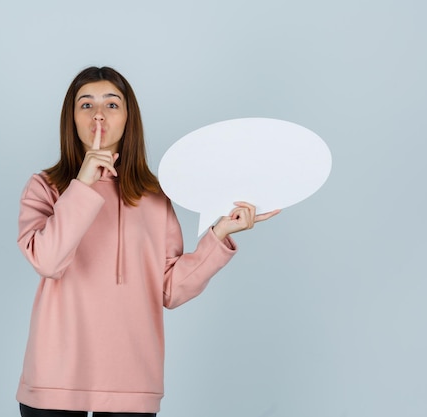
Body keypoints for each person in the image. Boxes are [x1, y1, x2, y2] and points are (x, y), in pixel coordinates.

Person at [16, 66, 280, 417]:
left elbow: (169, 289)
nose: (98, 115)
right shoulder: (45, 187)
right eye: (86, 105)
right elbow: (47, 261)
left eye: (112, 105)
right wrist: (82, 185)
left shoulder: (154, 196)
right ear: (71, 118)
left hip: (132, 382)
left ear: (128, 118)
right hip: (55, 381)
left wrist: (219, 236)